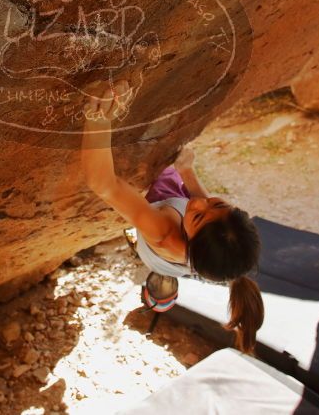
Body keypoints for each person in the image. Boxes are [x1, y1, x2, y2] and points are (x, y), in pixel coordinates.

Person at [81, 80, 264, 353]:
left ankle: (158, 288)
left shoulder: (163, 231)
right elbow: (203, 208)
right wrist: (187, 172)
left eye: (200, 217)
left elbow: (105, 184)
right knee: (192, 205)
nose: (202, 202)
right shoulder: (214, 236)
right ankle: (165, 280)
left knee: (162, 264)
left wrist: (98, 119)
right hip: (181, 235)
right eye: (219, 204)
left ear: (190, 239)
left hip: (162, 233)